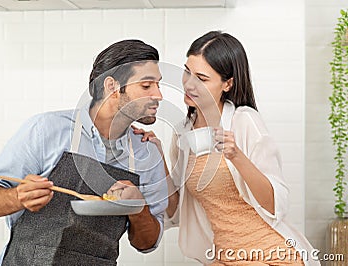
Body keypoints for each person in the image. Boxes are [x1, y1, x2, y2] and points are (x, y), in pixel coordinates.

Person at [0, 39, 168, 266]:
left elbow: (147, 243)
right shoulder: (47, 130)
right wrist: (17, 197)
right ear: (112, 86)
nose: (158, 95)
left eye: (158, 85)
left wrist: (138, 208)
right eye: (146, 86)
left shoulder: (147, 153)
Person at [135, 31, 320, 265]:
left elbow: (276, 205)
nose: (189, 85)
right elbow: (176, 210)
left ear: (227, 83)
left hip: (271, 254)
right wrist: (158, 155)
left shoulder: (244, 121)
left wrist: (236, 156)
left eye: (201, 78)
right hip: (226, 256)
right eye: (186, 72)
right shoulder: (183, 132)